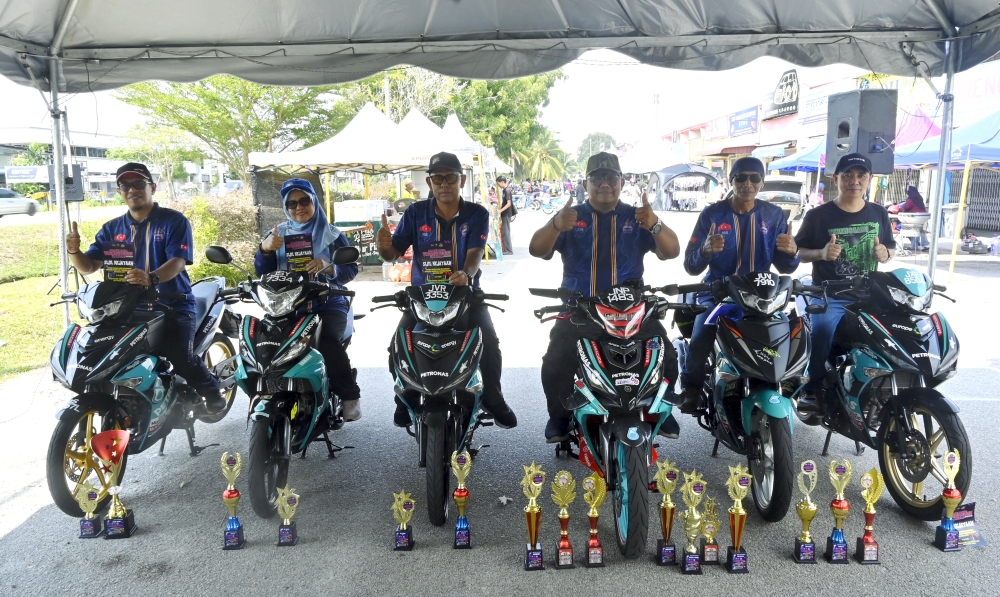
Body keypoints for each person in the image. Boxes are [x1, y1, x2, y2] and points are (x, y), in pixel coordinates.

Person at [528, 152, 683, 442]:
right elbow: (537, 249)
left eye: (611, 177)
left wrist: (655, 224)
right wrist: (555, 225)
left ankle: (660, 408)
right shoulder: (571, 218)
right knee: (555, 361)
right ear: (586, 183)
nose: (605, 183)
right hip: (579, 310)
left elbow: (671, 251)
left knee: (667, 354)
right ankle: (559, 417)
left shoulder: (638, 217)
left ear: (622, 181)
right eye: (597, 177)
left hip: (632, 311)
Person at [66, 162, 226, 412]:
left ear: (152, 187)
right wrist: (74, 251)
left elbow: (178, 261)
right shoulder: (112, 228)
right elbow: (88, 266)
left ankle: (212, 390)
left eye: (139, 184)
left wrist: (151, 278)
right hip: (127, 309)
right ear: (120, 191)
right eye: (125, 185)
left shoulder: (174, 221)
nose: (132, 189)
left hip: (173, 304)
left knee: (180, 357)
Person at [376, 151, 517, 429]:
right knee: (399, 345)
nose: (444, 184)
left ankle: (492, 396)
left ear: (461, 180)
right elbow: (393, 253)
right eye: (438, 178)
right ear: (429, 183)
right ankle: (406, 397)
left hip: (466, 296)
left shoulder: (476, 213)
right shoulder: (416, 213)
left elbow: (476, 252)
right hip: (421, 300)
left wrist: (466, 274)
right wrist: (383, 244)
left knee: (488, 342)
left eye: (450, 178)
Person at [677, 157, 801, 413]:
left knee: (789, 335)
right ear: (731, 181)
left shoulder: (774, 214)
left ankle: (791, 387)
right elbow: (691, 266)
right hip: (719, 293)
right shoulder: (712, 214)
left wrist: (793, 251)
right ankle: (691, 389)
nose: (748, 183)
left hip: (763, 295)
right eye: (741, 178)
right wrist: (705, 250)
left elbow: (787, 267)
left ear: (762, 183)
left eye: (754, 178)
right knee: (702, 333)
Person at [794, 153, 896, 413]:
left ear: (870, 179)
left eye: (861, 175)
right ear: (836, 178)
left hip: (870, 293)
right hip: (830, 294)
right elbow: (797, 252)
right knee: (823, 331)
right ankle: (812, 390)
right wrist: (821, 254)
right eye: (848, 175)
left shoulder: (879, 213)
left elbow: (890, 248)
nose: (855, 181)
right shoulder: (818, 216)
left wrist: (885, 253)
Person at [256, 178, 362, 421]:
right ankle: (269, 392)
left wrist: (328, 267)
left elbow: (349, 271)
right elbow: (261, 272)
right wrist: (265, 249)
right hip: (286, 305)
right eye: (292, 203)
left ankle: (349, 395)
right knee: (267, 342)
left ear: (314, 201)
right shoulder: (276, 234)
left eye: (304, 200)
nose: (298, 207)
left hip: (327, 302)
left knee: (324, 340)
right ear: (285, 207)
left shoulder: (332, 234)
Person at [898, 185, 929, 251]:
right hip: (923, 216)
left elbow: (906, 207)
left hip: (915, 216)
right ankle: (921, 244)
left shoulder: (911, 198)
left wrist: (902, 209)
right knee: (919, 229)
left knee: (914, 229)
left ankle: (919, 245)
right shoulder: (919, 197)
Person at [497, 175, 514, 255]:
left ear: (502, 182)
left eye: (498, 184)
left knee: (506, 232)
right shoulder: (504, 190)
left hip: (506, 214)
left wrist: (500, 210)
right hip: (504, 214)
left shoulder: (507, 190)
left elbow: (508, 204)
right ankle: (506, 249)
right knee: (504, 232)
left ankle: (509, 250)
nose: (498, 185)